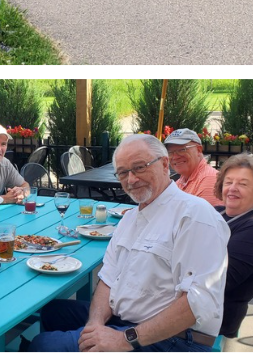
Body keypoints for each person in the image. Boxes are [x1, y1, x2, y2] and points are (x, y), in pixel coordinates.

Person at [29, 135, 229, 352]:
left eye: (139, 167)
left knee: (43, 345)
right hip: (128, 319)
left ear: (164, 164)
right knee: (52, 311)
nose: (131, 179)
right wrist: (94, 326)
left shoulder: (194, 215)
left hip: (178, 338)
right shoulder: (130, 218)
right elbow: (107, 279)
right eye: (123, 172)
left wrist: (123, 339)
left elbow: (197, 303)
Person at [213, 153, 253, 339]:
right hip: (194, 308)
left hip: (214, 320)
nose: (232, 189)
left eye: (243, 184)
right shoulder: (217, 212)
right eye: (228, 182)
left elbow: (220, 280)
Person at [164, 128, 221, 205]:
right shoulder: (181, 181)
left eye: (182, 150)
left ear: (199, 150)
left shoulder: (210, 179)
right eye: (170, 152)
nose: (175, 157)